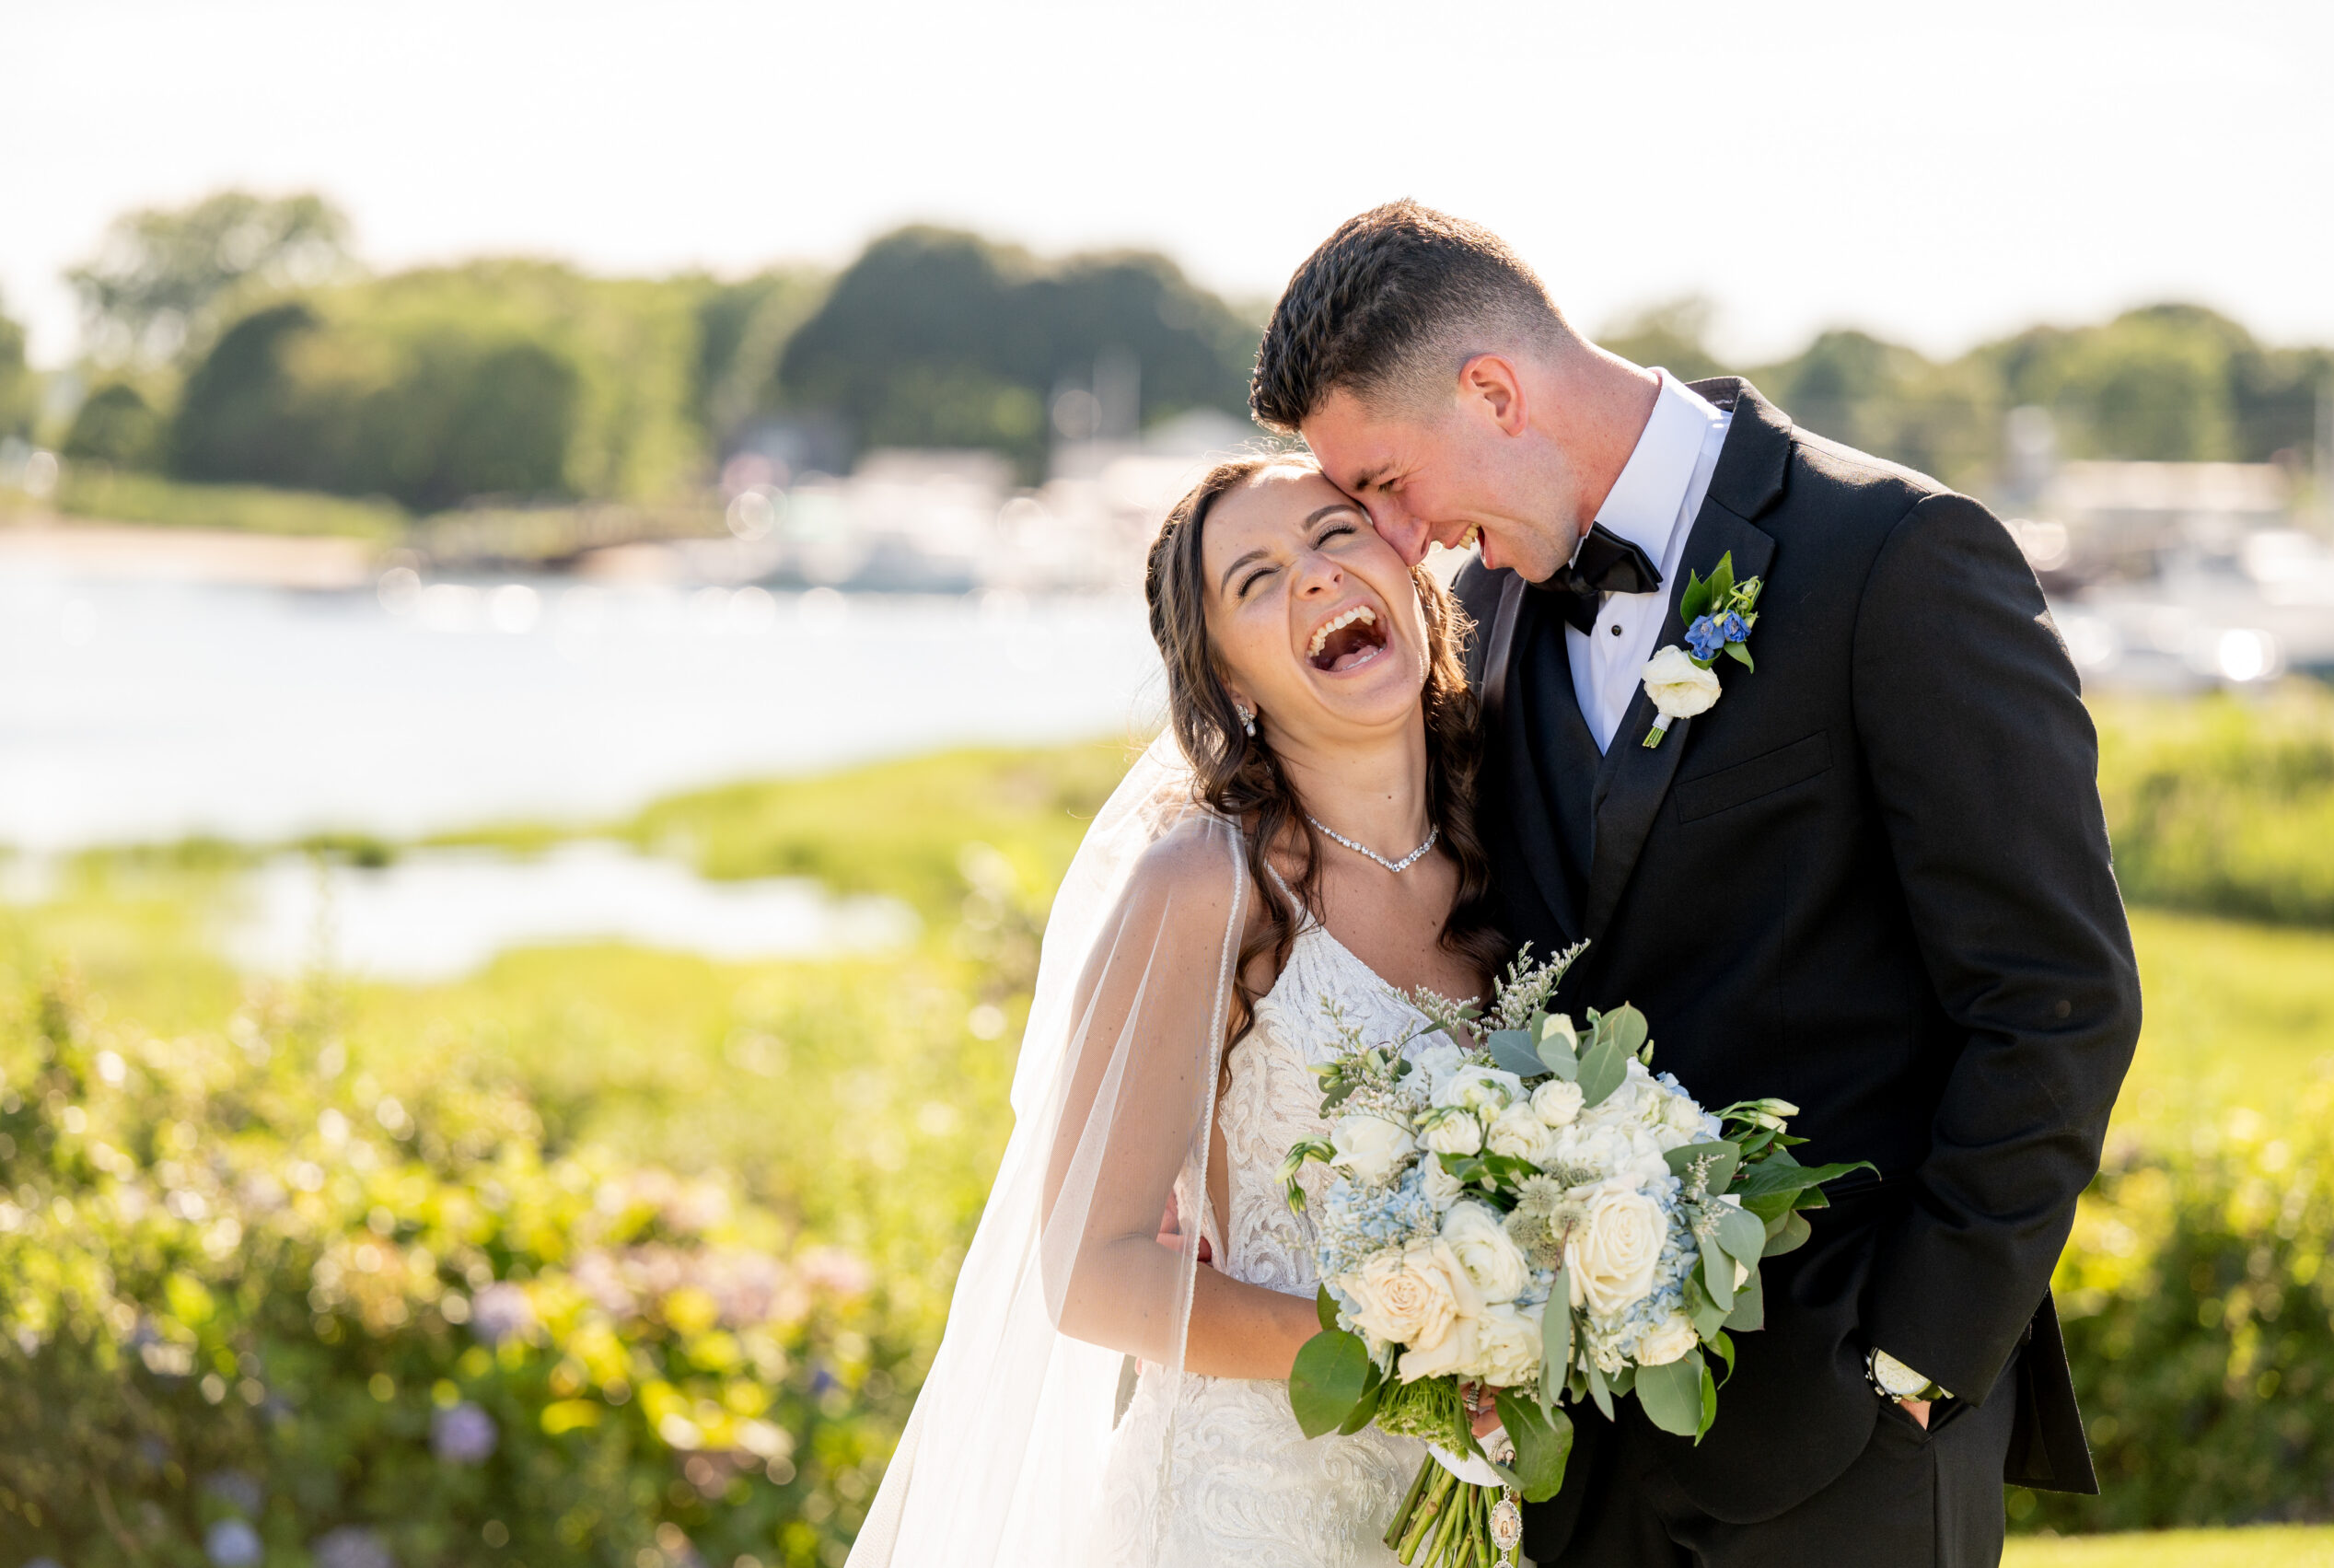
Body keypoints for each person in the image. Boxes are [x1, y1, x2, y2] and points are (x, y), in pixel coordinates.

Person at [1247, 200, 2142, 1567]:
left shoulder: (1896, 557)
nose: (1395, 536)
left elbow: (2057, 997)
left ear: (1493, 389)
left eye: (1382, 481)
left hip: (1855, 1437)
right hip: (1573, 1447)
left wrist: (1915, 1360)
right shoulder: (1478, 617)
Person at [848, 451, 1507, 1566]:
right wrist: (1389, 1353)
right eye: (1254, 579)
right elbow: (1093, 1270)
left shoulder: (1505, 855)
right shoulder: (1212, 882)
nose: (1311, 577)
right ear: (1232, 680)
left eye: (1334, 534)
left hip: (1473, 1513)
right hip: (1248, 1513)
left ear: (1407, 576)